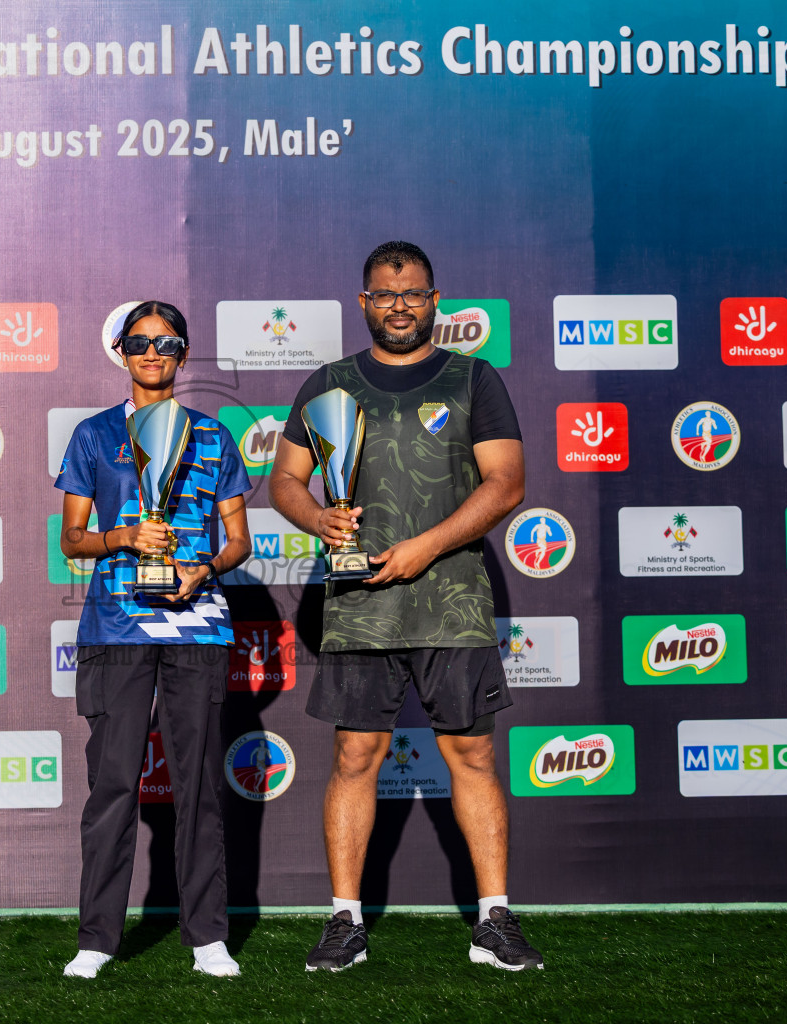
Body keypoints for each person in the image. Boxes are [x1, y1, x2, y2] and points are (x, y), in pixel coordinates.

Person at [269, 241, 542, 972]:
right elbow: (286, 480)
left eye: (414, 294)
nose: (400, 307)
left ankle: (494, 920)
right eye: (387, 296)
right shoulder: (328, 384)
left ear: (434, 300)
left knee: (474, 754)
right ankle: (344, 921)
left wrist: (426, 547)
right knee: (356, 756)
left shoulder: (473, 378)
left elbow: (506, 483)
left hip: (451, 599)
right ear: (364, 303)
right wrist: (315, 519)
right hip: (359, 605)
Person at [55, 299, 253, 980]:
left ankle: (207, 937)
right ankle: (97, 939)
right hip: (115, 629)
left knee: (198, 784)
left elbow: (239, 542)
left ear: (184, 354)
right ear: (122, 352)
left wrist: (204, 568)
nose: (152, 354)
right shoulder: (92, 435)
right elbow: (72, 540)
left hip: (197, 629)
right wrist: (124, 538)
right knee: (112, 785)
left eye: (167, 344)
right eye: (140, 342)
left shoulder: (215, 438)